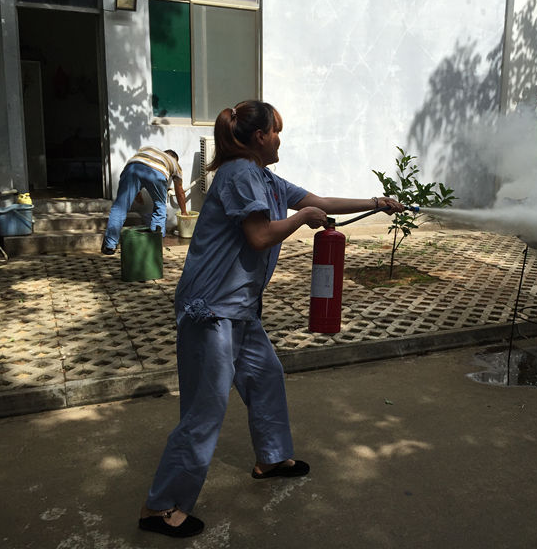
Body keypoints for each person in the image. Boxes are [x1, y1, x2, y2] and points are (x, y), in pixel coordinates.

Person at [138, 100, 404, 538]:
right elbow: (260, 235)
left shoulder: (263, 177)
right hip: (212, 309)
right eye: (276, 131)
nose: (280, 138)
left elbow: (319, 201)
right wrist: (302, 219)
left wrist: (377, 203)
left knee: (265, 376)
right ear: (260, 137)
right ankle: (160, 507)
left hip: (238, 307)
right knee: (206, 409)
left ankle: (273, 457)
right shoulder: (240, 173)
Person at [101, 146, 189, 255]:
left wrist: (137, 193)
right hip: (157, 173)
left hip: (132, 167)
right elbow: (179, 192)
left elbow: (139, 170)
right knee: (160, 208)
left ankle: (109, 246)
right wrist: (184, 211)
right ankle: (154, 246)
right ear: (175, 159)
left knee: (120, 207)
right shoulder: (175, 163)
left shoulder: (148, 149)